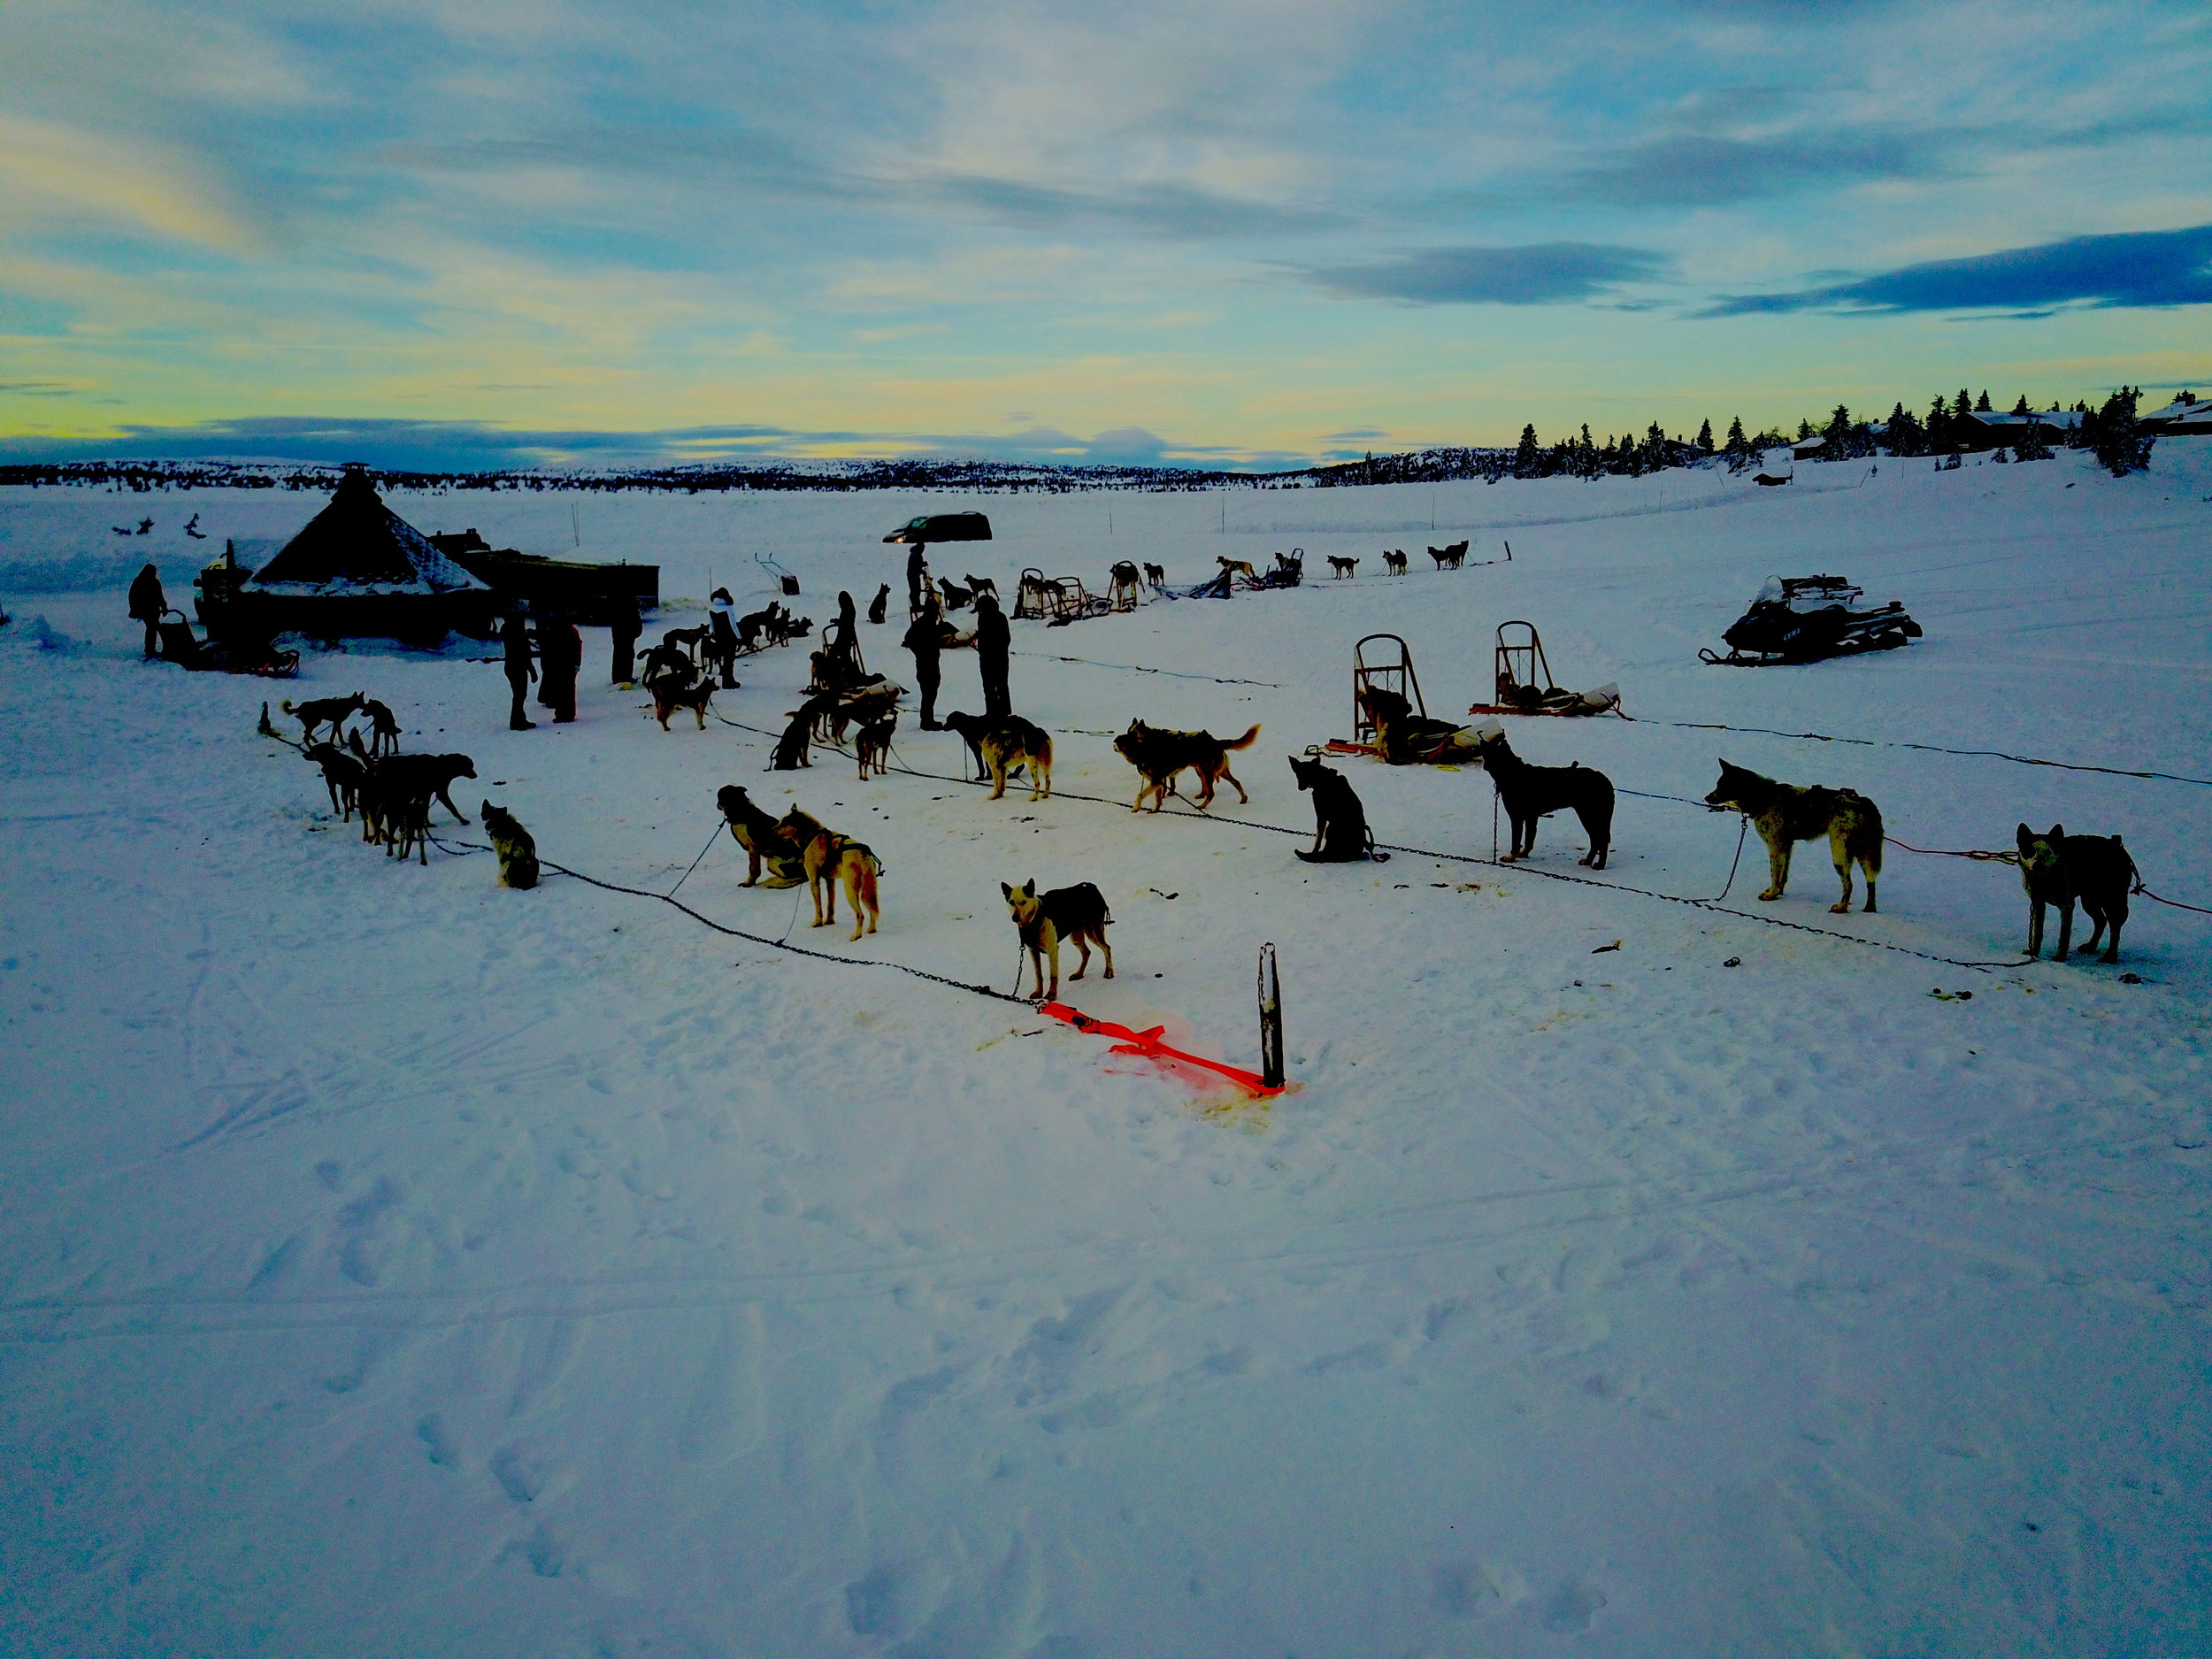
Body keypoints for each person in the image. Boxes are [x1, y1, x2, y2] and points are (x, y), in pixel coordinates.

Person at [901, 596, 946, 729]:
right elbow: (908, 639)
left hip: (929, 662)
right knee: (929, 692)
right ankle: (927, 721)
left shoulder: (928, 622)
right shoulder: (924, 623)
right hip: (926, 664)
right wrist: (921, 652)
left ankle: (927, 718)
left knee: (930, 691)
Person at [536, 610, 581, 724]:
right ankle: (567, 713)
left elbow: (548, 647)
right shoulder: (572, 631)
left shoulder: (553, 630)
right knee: (568, 689)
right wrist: (577, 665)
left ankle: (562, 714)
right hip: (569, 665)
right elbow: (577, 649)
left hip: (558, 664)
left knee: (561, 689)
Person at [974, 589, 1011, 718]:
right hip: (994, 657)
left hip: (994, 658)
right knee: (996, 686)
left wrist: (987, 649)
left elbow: (1005, 639)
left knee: (995, 686)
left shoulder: (993, 617)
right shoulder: (993, 617)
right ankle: (996, 711)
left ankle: (999, 712)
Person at [501, 607, 536, 730]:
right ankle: (516, 721)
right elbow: (524, 652)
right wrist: (532, 669)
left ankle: (520, 719)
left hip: (512, 666)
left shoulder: (507, 630)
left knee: (519, 695)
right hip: (517, 666)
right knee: (519, 695)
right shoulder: (516, 632)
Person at [127, 563, 165, 659]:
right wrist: (135, 609)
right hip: (145, 611)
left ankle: (150, 649)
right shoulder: (140, 582)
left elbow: (160, 596)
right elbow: (133, 597)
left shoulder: (151, 582)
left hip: (153, 610)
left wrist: (164, 606)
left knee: (152, 628)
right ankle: (150, 649)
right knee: (153, 628)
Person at [707, 588, 741, 689]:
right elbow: (733, 625)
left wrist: (713, 634)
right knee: (729, 660)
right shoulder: (728, 607)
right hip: (729, 637)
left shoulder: (711, 608)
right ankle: (728, 682)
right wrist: (739, 637)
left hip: (719, 637)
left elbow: (711, 624)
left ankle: (727, 681)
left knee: (722, 660)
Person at [609, 595, 641, 687]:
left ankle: (621, 676)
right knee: (625, 653)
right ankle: (623, 677)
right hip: (625, 627)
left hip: (621, 627)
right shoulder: (627, 601)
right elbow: (633, 612)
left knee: (622, 652)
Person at [905, 543, 930, 614]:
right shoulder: (916, 554)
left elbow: (918, 564)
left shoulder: (916, 554)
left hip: (914, 575)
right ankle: (916, 607)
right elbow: (915, 566)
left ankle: (917, 605)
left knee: (916, 590)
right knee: (915, 591)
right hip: (913, 575)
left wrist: (922, 564)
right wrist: (923, 572)